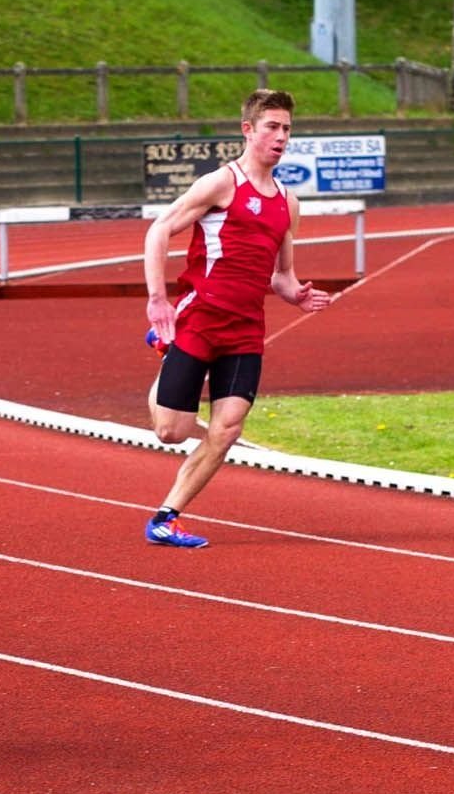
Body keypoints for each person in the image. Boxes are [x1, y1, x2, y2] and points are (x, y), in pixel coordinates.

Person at [139, 88, 336, 549]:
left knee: (227, 428)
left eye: (287, 128)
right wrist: (157, 299)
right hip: (201, 316)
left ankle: (166, 516)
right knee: (173, 431)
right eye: (272, 126)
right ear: (247, 130)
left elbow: (282, 276)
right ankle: (164, 346)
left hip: (246, 328)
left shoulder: (287, 202)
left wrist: (298, 296)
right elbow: (158, 229)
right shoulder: (221, 183)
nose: (281, 136)